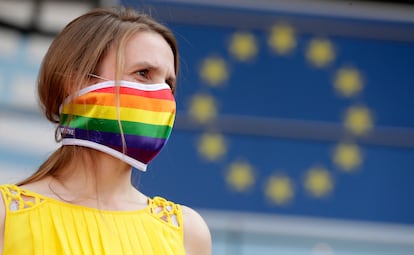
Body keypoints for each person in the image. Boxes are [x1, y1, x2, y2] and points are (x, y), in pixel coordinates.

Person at [0, 6, 211, 255]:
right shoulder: (7, 217)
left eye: (169, 84)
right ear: (75, 82)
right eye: (143, 73)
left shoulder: (188, 232)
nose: (162, 95)